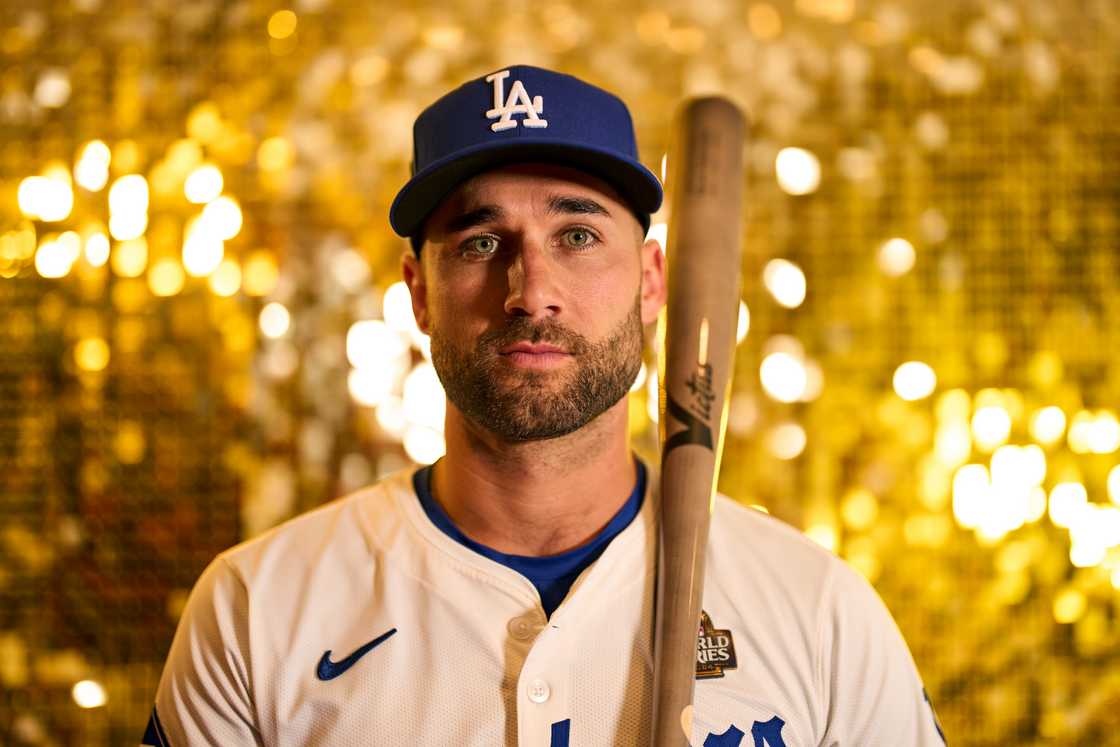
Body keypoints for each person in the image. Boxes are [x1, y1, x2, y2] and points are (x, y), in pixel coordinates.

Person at [144, 65, 946, 746]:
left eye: (578, 235)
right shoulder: (258, 610)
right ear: (418, 292)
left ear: (654, 281)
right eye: (481, 242)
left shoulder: (818, 611)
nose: (532, 293)